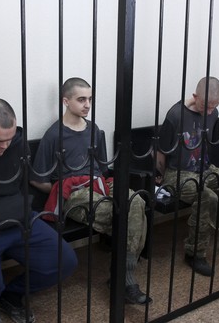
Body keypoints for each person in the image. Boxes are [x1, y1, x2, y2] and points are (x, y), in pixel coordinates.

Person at [30, 77, 150, 305]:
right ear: (66, 101)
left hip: (98, 183)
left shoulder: (93, 129)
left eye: (90, 99)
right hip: (74, 192)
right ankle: (124, 280)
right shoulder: (54, 135)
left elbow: (103, 168)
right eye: (81, 99)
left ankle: (122, 273)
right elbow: (38, 179)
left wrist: (100, 185)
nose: (87, 104)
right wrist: (62, 189)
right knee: (124, 214)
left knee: (136, 201)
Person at [0, 98, 78, 323]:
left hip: (17, 219)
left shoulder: (16, 142)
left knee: (64, 260)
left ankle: (11, 296)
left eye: (8, 139)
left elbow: (22, 182)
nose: (4, 146)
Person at [156, 76, 219, 277]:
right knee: (207, 197)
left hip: (205, 169)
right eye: (206, 106)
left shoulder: (214, 113)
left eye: (214, 107)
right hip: (177, 173)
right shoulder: (176, 115)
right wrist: (160, 177)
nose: (210, 111)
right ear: (195, 97)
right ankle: (195, 253)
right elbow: (160, 151)